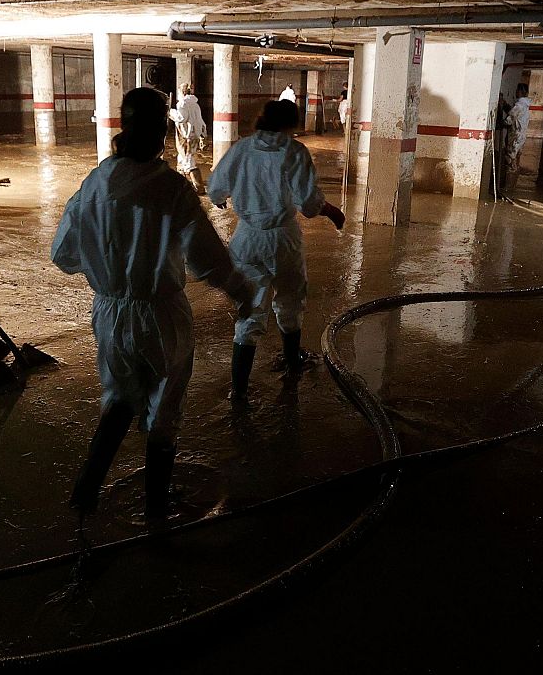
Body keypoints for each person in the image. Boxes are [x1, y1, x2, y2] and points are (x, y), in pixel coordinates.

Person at [53, 88, 254, 519]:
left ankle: (84, 494)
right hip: (161, 314)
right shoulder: (171, 189)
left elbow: (63, 254)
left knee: (119, 399)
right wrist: (243, 292)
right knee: (164, 411)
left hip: (108, 314)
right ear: (164, 131)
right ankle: (157, 513)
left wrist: (107, 267)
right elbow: (208, 258)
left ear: (122, 128)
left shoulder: (93, 183)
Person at [208, 99, 346, 398]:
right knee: (290, 301)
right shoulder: (294, 152)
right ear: (290, 125)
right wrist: (331, 210)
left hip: (246, 238)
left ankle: (239, 390)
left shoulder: (242, 149)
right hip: (283, 239)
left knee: (249, 311)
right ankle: (293, 366)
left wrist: (220, 197)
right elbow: (308, 205)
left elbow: (215, 187)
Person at [170, 86, 208, 193]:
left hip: (186, 137)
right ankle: (182, 187)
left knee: (188, 163)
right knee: (181, 161)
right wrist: (202, 134)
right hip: (194, 135)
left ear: (181, 92)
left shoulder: (182, 104)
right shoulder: (195, 105)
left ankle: (199, 188)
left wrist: (170, 112)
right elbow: (201, 121)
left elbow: (181, 118)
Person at [502, 86, 531, 188]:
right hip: (521, 136)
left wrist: (500, 124)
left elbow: (510, 119)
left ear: (519, 92)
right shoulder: (525, 105)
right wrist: (505, 105)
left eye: (517, 91)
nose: (516, 92)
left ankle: (508, 186)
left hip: (515, 136)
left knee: (510, 160)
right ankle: (512, 186)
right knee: (516, 159)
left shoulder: (519, 105)